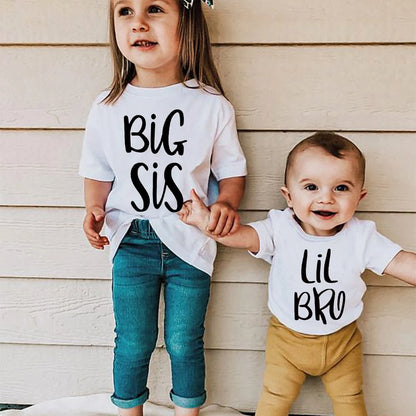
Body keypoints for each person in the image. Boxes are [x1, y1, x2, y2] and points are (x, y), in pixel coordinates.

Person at [79, 1, 247, 415]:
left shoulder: (211, 106)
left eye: (154, 8)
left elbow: (232, 170)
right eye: (124, 11)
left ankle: (188, 411)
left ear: (186, 23)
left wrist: (226, 202)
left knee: (183, 339)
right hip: (129, 240)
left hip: (190, 241)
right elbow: (97, 170)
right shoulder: (107, 106)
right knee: (133, 339)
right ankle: (129, 409)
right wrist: (94, 208)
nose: (138, 21)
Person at [179, 132, 416, 416]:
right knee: (274, 397)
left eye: (341, 188)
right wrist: (206, 222)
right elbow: (242, 236)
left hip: (343, 342)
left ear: (359, 196)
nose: (326, 198)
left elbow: (401, 262)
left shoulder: (362, 237)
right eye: (311, 187)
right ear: (289, 196)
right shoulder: (280, 228)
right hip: (287, 341)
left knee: (351, 398)